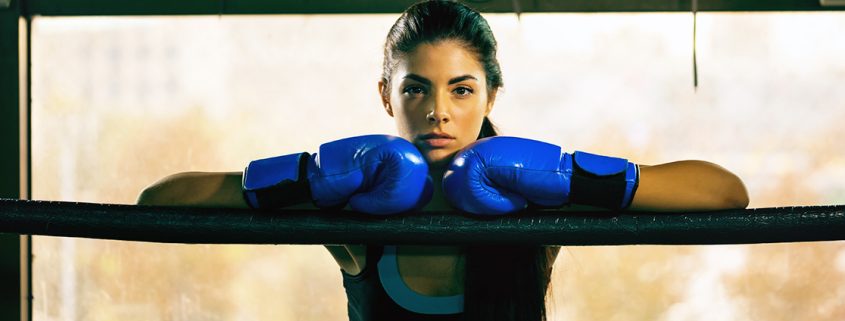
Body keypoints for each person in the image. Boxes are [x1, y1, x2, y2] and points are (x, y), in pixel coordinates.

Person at [137, 1, 750, 320]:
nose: (438, 112)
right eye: (415, 88)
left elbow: (726, 194)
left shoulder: (535, 192)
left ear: (490, 96)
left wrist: (569, 175)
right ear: (386, 96)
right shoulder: (350, 204)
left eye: (461, 89)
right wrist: (308, 176)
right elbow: (158, 203)